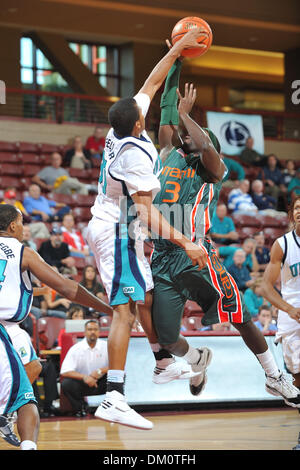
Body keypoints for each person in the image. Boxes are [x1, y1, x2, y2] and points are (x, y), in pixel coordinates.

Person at [145, 57, 300, 411]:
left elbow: (202, 143)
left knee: (241, 314)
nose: (185, 135)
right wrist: (176, 60)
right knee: (168, 337)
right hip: (164, 256)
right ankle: (198, 359)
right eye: (185, 133)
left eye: (193, 135)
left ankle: (274, 375)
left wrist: (188, 116)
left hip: (198, 254)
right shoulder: (168, 152)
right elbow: (167, 103)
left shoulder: (213, 168)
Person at [86, 28, 208, 431]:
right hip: (117, 230)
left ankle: (162, 363)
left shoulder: (119, 127)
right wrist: (185, 242)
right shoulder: (137, 156)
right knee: (124, 312)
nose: (148, 108)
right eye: (145, 113)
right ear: (139, 123)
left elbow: (152, 81)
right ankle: (114, 397)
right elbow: (149, 213)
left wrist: (176, 48)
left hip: (118, 227)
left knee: (145, 296)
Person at [0, 204, 113, 449]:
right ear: (12, 226)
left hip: (12, 330)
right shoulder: (23, 252)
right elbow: (68, 288)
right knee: (27, 401)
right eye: (21, 223)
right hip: (4, 328)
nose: (24, 227)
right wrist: (109, 309)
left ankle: (4, 411)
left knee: (33, 365)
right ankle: (15, 423)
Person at [262, 195, 300, 395]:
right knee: (296, 373)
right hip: (292, 312)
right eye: (296, 208)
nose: (299, 211)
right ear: (292, 214)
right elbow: (266, 287)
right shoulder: (282, 244)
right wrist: (289, 309)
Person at [60, 319, 108, 417]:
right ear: (84, 332)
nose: (93, 332)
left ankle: (112, 407)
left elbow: (118, 366)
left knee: (118, 377)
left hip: (101, 382)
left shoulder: (106, 346)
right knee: (66, 383)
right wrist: (85, 377)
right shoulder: (76, 348)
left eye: (95, 329)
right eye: (90, 329)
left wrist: (101, 370)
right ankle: (80, 408)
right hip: (83, 383)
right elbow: (64, 371)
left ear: (99, 332)